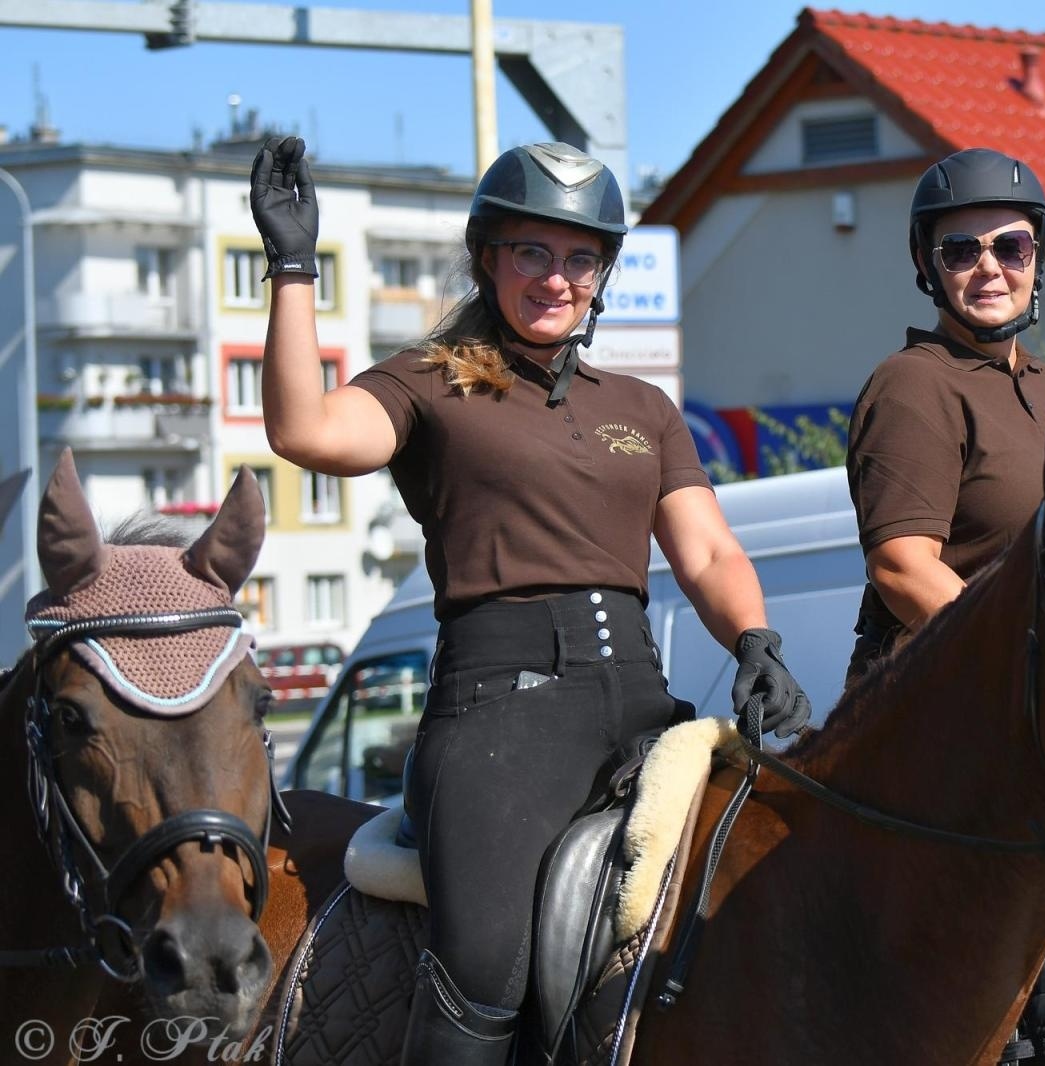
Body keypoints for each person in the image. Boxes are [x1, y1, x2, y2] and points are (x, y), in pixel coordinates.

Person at [250, 136, 811, 1065]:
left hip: (643, 706)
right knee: (484, 967)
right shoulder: (428, 383)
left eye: (581, 257)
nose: (558, 278)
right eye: (533, 253)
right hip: (498, 718)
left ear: (604, 273)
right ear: (489, 258)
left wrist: (757, 640)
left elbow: (707, 549)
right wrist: (294, 268)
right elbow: (304, 431)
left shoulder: (643, 407)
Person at [845, 147, 1045, 685]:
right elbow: (903, 566)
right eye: (961, 251)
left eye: (1012, 247)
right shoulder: (913, 384)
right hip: (953, 697)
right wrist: (1030, 659)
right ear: (927, 264)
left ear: (1037, 258)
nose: (990, 267)